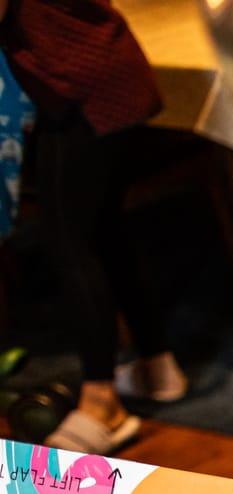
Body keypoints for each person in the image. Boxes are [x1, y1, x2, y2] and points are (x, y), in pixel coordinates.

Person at [1, 0, 188, 454]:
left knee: (68, 241)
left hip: (83, 91)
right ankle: (157, 367)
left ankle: (103, 402)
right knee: (104, 228)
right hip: (106, 74)